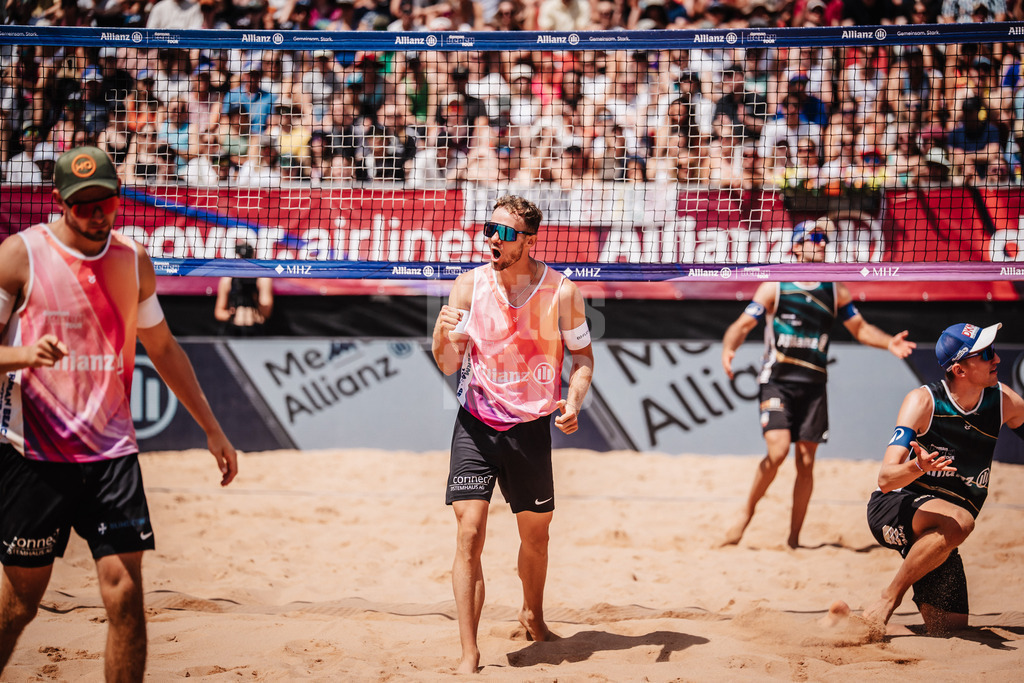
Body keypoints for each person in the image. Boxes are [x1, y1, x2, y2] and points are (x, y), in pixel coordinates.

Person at [0, 146, 238, 680]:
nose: (96, 214)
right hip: (34, 453)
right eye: (83, 205)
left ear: (118, 197)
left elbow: (164, 348)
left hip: (111, 453)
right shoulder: (20, 256)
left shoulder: (132, 260)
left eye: (105, 202)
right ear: (59, 201)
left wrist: (213, 429)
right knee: (20, 604)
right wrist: (24, 355)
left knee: (125, 593)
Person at [431, 195, 594, 674]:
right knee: (469, 533)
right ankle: (469, 652)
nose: (491, 239)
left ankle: (532, 614)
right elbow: (448, 364)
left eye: (503, 233)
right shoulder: (468, 286)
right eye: (489, 229)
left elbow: (583, 358)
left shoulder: (562, 292)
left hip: (530, 428)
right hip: (476, 424)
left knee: (536, 538)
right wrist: (440, 335)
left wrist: (574, 401)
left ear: (528, 241)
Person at [720, 219, 917, 548]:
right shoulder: (775, 285)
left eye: (825, 237)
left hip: (813, 385)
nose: (822, 242)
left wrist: (888, 342)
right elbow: (741, 325)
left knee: (807, 461)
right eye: (814, 237)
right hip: (777, 381)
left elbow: (860, 328)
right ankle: (746, 513)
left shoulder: (835, 289)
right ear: (796, 247)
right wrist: (729, 348)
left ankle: (794, 540)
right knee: (778, 451)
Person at [825, 322, 1024, 635]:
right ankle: (888, 598)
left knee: (949, 629)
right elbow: (886, 479)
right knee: (961, 523)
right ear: (959, 369)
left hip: (942, 530)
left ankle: (848, 624)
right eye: (986, 354)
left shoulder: (1004, 401)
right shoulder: (923, 402)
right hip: (896, 507)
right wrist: (918, 467)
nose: (996, 358)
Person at [213, 241, 274, 336]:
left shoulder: (262, 279)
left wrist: (254, 298)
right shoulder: (228, 279)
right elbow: (218, 312)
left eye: (246, 259)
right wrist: (232, 314)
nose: (244, 262)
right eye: (242, 258)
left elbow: (266, 313)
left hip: (255, 329)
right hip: (234, 329)